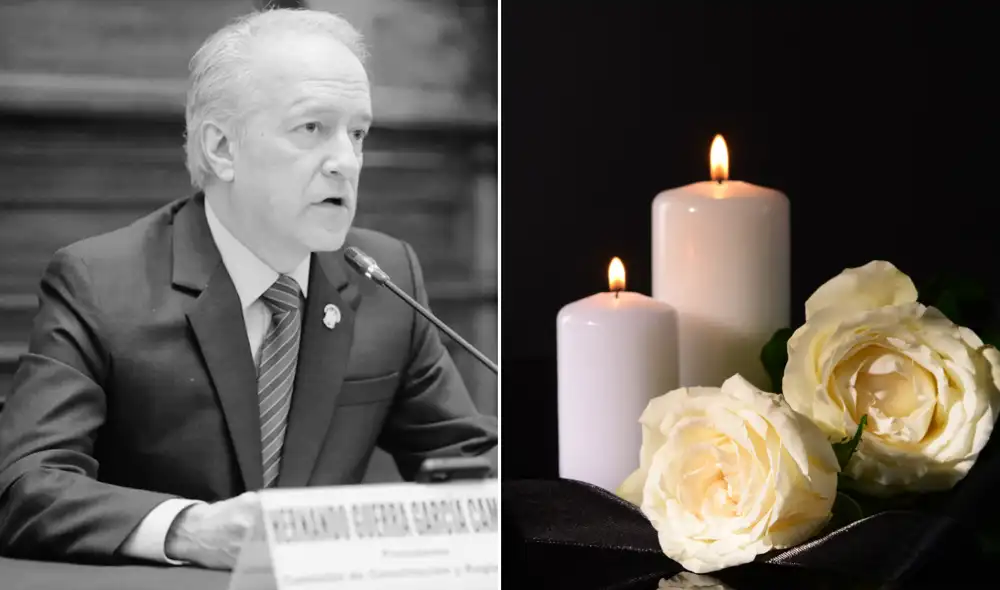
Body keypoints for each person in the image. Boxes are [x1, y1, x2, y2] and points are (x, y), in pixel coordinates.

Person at [0, 8, 497, 570]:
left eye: (357, 133)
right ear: (222, 149)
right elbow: (26, 485)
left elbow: (470, 460)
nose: (346, 162)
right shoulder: (99, 280)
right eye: (312, 128)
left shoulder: (385, 274)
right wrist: (188, 528)